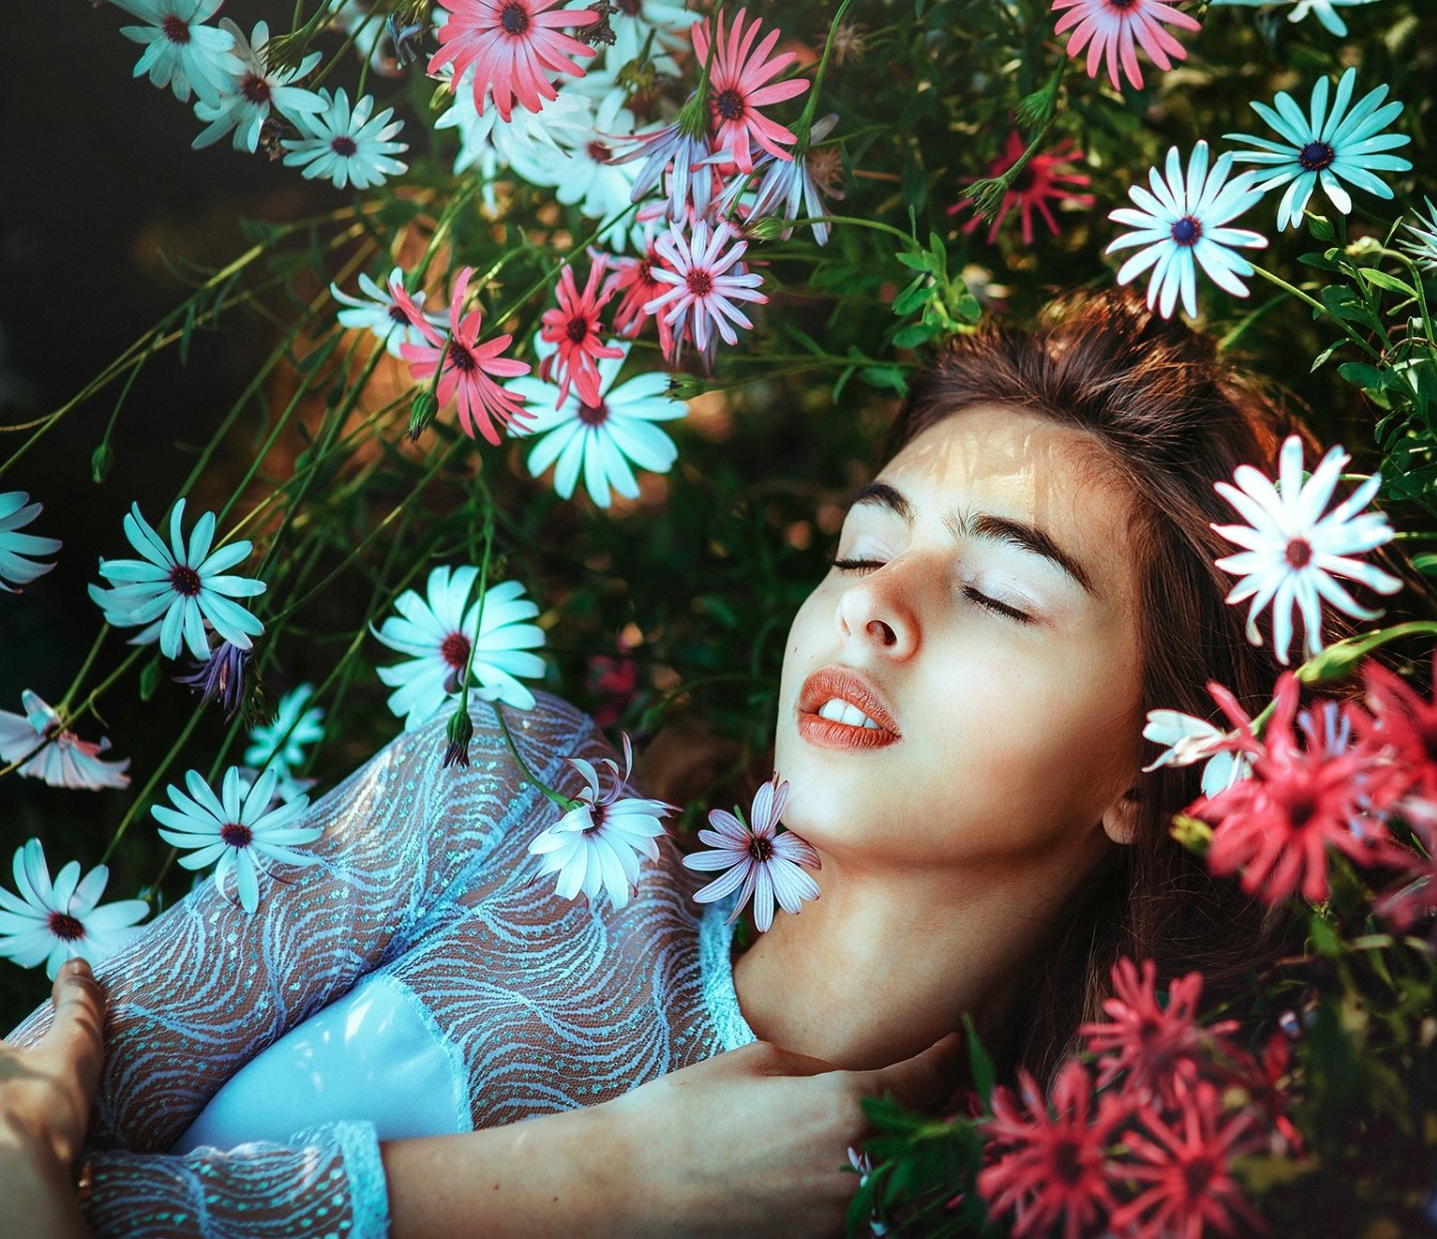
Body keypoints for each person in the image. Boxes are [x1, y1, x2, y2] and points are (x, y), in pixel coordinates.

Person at [4, 286, 1314, 1237]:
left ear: (1153, 771)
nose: (872, 604)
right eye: (864, 547)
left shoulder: (981, 1208)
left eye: (1003, 594)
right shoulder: (502, 794)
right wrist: (612, 1182)